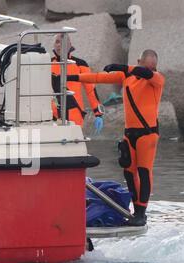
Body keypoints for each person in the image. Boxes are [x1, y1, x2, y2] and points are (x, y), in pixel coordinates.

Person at [67, 49, 165, 226]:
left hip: (147, 134)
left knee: (144, 172)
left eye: (153, 67)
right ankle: (134, 209)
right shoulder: (126, 77)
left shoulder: (156, 79)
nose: (150, 70)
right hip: (130, 133)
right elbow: (97, 77)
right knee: (129, 172)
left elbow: (142, 72)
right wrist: (70, 79)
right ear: (138, 61)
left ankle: (141, 214)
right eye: (147, 66)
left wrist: (124, 67)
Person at [51, 33, 105, 134]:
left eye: (62, 42)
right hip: (52, 117)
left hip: (75, 114)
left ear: (69, 44)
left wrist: (98, 114)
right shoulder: (46, 64)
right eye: (57, 42)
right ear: (53, 45)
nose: (59, 45)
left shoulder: (80, 64)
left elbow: (91, 90)